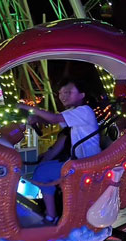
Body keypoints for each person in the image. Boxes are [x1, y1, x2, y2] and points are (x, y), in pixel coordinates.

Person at [19, 78, 101, 223]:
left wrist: (29, 108)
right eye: (61, 93)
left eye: (68, 92)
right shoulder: (74, 112)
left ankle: (52, 216)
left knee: (42, 172)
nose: (63, 96)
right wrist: (37, 119)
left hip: (85, 163)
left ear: (82, 94)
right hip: (78, 161)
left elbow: (55, 118)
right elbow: (53, 121)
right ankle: (52, 212)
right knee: (43, 167)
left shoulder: (84, 111)